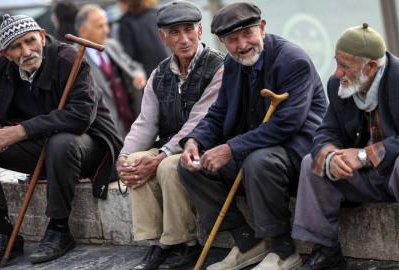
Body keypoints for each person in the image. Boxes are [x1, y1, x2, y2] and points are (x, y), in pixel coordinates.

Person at [178, 2, 327, 270]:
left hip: (296, 152)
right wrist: (194, 141)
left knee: (258, 161)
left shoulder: (292, 60)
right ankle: (247, 242)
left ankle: (283, 249)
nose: (242, 45)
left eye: (248, 34)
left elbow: (286, 124)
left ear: (263, 27)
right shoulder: (232, 64)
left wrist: (230, 148)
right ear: (222, 42)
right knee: (191, 167)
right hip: (253, 150)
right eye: (232, 40)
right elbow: (218, 113)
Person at [0, 14, 122, 264]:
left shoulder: (69, 60)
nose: (26, 51)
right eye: (16, 47)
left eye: (30, 41)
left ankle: (59, 229)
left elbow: (81, 116)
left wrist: (20, 131)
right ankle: (2, 229)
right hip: (39, 146)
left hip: (88, 146)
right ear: (6, 54)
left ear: (42, 36)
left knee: (61, 142)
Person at [116, 1, 225, 269]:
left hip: (206, 147)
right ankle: (159, 242)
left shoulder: (219, 67)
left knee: (166, 166)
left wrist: (164, 153)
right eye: (174, 32)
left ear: (200, 30)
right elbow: (145, 123)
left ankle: (186, 242)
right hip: (169, 145)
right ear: (163, 38)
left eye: (189, 30)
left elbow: (200, 121)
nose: (184, 39)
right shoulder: (159, 74)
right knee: (135, 163)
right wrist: (124, 155)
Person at [292, 23, 396, 270]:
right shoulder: (337, 84)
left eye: (345, 65)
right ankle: (326, 250)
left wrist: (363, 155)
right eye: (336, 63)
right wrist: (331, 158)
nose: (337, 73)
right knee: (312, 162)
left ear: (371, 66)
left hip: (393, 172)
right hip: (363, 178)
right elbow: (326, 130)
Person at [76, 4, 147, 138]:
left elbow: (134, 66)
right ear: (83, 31)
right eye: (100, 26)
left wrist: (139, 75)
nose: (106, 30)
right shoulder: (74, 57)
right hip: (105, 133)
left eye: (106, 25)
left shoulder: (112, 46)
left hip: (133, 126)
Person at [113, 0, 170, 77]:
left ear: (124, 3)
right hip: (172, 73)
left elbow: (127, 58)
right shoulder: (159, 14)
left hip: (149, 80)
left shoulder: (126, 23)